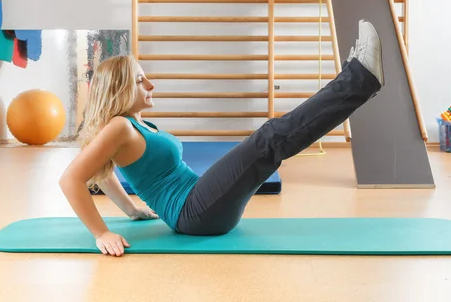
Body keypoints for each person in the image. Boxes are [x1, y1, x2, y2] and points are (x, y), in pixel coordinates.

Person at [59, 19, 385, 257]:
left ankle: (357, 82)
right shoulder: (119, 126)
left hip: (198, 206)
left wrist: (132, 209)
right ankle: (358, 79)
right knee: (268, 140)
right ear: (120, 89)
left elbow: (104, 169)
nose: (151, 85)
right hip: (195, 213)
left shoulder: (131, 125)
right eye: (140, 80)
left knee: (268, 142)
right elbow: (72, 179)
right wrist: (100, 232)